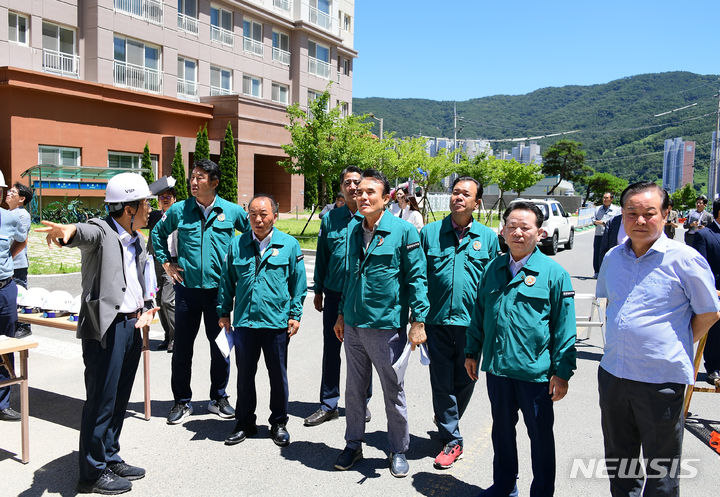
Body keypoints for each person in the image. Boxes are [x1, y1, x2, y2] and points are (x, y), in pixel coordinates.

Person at [37, 173, 159, 495]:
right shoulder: (104, 231)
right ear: (129, 208)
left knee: (119, 399)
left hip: (132, 326)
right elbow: (83, 232)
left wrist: (148, 306)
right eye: (145, 203)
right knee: (101, 400)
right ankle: (91, 471)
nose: (150, 208)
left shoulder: (138, 239)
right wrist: (67, 232)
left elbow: (139, 279)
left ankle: (110, 454)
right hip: (105, 329)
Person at [596, 182, 720, 497]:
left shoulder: (685, 260)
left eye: (649, 213)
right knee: (620, 465)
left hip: (660, 381)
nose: (639, 220)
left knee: (661, 472)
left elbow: (709, 312)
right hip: (613, 375)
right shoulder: (613, 257)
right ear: (622, 216)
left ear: (666, 214)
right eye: (631, 213)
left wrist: (676, 342)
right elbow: (611, 304)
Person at [465, 201, 577, 497]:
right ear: (502, 231)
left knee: (540, 438)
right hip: (499, 370)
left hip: (536, 374)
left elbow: (565, 328)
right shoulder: (492, 269)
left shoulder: (554, 274)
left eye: (525, 227)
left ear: (539, 233)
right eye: (511, 226)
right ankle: (504, 485)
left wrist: (562, 373)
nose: (517, 232)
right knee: (501, 432)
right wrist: (471, 351)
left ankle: (541, 492)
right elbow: (479, 313)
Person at [333, 168, 429, 478]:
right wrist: (341, 315)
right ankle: (353, 443)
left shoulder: (403, 231)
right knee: (354, 390)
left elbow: (417, 278)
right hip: (354, 325)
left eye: (369, 192)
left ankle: (398, 448)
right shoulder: (352, 231)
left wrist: (418, 320)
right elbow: (347, 277)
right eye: (358, 192)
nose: (361, 196)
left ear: (386, 198)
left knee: (392, 390)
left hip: (386, 326)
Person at [152, 159, 250, 425]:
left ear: (214, 182)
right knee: (182, 348)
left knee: (220, 348)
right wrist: (166, 262)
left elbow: (253, 236)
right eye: (192, 177)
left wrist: (242, 270)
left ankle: (218, 397)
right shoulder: (180, 210)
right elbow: (158, 233)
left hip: (219, 293)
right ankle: (181, 401)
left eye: (200, 178)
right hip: (186, 291)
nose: (194, 182)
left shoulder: (231, 211)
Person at [420, 176, 499, 469]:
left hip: (472, 324)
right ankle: (453, 439)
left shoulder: (488, 238)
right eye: (455, 192)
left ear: (476, 202)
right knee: (441, 380)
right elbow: (418, 279)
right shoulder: (430, 233)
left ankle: (446, 419)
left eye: (466, 194)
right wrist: (417, 319)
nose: (458, 197)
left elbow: (494, 283)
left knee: (465, 380)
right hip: (437, 322)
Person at [218, 194, 307, 447]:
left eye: (264, 214)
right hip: (245, 322)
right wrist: (224, 313)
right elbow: (226, 281)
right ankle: (245, 422)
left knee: (278, 376)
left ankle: (278, 422)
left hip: (276, 322)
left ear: (275, 216)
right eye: (253, 214)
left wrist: (295, 315)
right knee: (245, 375)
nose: (258, 219)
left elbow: (298, 284)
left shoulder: (289, 245)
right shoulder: (237, 244)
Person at [305, 166, 372, 428]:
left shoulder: (372, 218)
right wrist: (318, 289)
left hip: (360, 297)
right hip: (333, 294)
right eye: (348, 182)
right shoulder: (331, 219)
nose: (353, 187)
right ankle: (329, 403)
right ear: (342, 188)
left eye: (357, 182)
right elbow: (322, 256)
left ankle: (362, 402)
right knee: (331, 350)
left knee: (363, 352)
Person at [0, 172, 28, 423]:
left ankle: (3, 402)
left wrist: (7, 257)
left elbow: (21, 241)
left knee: (6, 346)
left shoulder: (9, 218)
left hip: (5, 288)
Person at [147, 177, 177, 352]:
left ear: (174, 199)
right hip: (155, 263)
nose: (165, 199)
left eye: (168, 196)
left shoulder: (179, 215)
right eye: (162, 196)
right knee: (158, 301)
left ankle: (176, 338)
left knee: (168, 301)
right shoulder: (154, 216)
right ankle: (168, 337)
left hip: (172, 263)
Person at [5, 183, 33, 338]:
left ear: (21, 199)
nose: (9, 193)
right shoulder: (9, 212)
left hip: (17, 264)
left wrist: (7, 258)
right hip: (8, 264)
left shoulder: (22, 215)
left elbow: (20, 240)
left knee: (20, 294)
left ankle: (24, 325)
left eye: (13, 192)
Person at [592, 192, 620, 278]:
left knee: (608, 253)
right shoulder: (598, 209)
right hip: (599, 234)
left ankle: (608, 271)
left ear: (611, 199)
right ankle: (597, 272)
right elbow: (593, 220)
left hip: (610, 235)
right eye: (603, 198)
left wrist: (603, 222)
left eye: (606, 198)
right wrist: (603, 222)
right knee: (597, 253)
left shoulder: (616, 210)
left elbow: (614, 222)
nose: (604, 199)